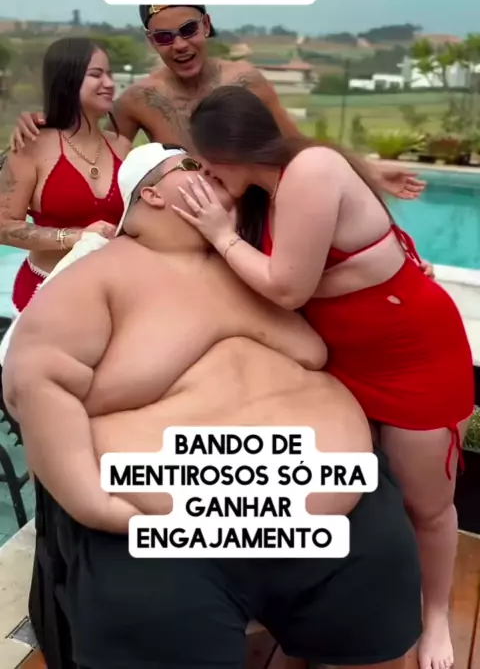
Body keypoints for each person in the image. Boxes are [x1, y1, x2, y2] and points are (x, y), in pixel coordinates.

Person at [3, 143, 423, 669]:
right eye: (191, 166)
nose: (212, 172)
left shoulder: (258, 264)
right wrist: (93, 503)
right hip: (169, 535)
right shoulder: (101, 274)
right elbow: (36, 379)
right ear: (151, 194)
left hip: (339, 511)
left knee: (381, 627)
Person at [172, 86, 475, 669]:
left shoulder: (310, 171)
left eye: (206, 162)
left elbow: (287, 288)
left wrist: (220, 233)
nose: (205, 175)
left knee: (426, 504)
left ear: (229, 148)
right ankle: (333, 612)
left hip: (411, 357)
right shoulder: (266, 194)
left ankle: (436, 615)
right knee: (358, 496)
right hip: (345, 365)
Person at [8, 4, 427, 203]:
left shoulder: (245, 80)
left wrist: (369, 170)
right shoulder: (139, 100)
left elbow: (296, 144)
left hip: (252, 214)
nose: (179, 45)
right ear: (152, 42)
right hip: (187, 223)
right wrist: (46, 123)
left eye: (188, 30)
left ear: (206, 26)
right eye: (164, 37)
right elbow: (96, 148)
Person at [0, 37, 131, 311]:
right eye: (96, 74)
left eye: (109, 74)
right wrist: (75, 237)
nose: (109, 83)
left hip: (113, 295)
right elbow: (3, 226)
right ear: (67, 79)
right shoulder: (31, 146)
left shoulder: (122, 147)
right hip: (46, 293)